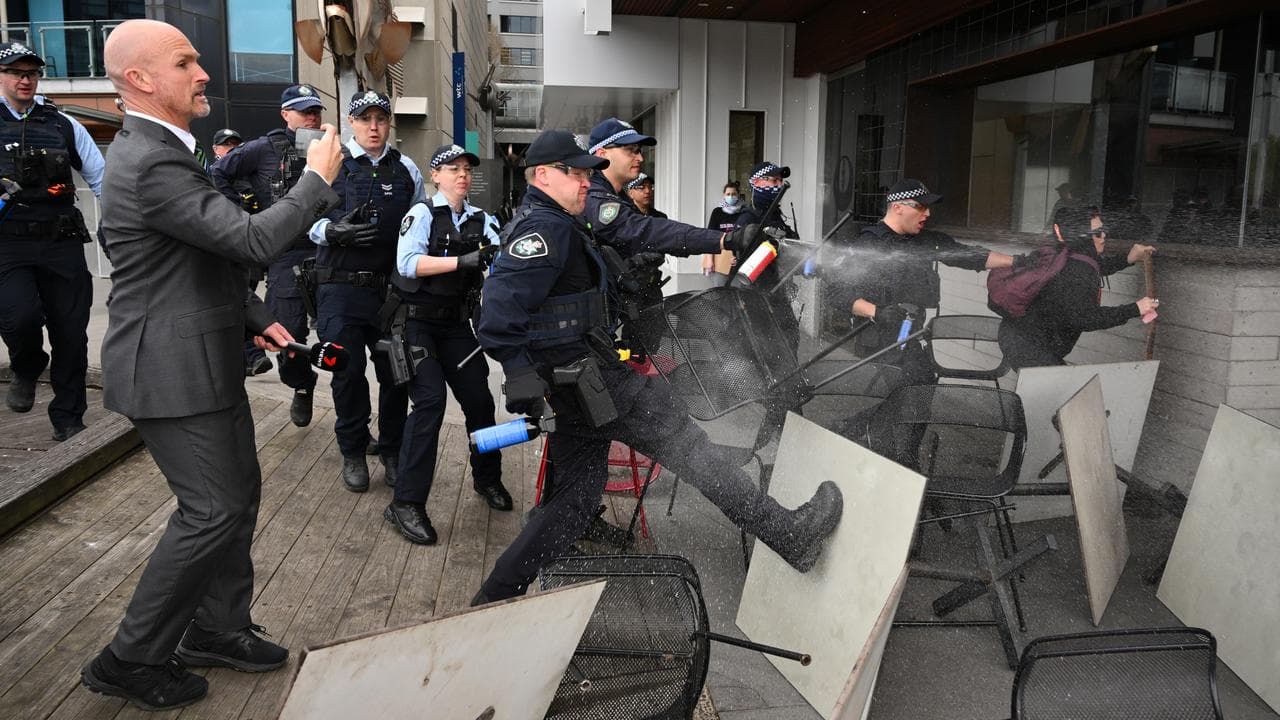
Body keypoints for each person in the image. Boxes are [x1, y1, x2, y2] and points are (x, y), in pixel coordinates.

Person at [81, 19, 342, 711]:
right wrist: (316, 179)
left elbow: (195, 256)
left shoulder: (166, 151)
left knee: (236, 499)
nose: (202, 74)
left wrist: (255, 316)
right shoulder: (150, 161)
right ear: (139, 79)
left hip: (201, 358)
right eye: (185, 62)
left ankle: (217, 629)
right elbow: (252, 240)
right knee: (211, 510)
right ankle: (130, 659)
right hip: (170, 371)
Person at [470, 129, 842, 604]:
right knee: (694, 452)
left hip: (579, 387)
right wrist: (520, 373)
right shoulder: (546, 230)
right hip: (595, 383)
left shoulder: (558, 222)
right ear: (542, 175)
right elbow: (497, 314)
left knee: (573, 502)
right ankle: (789, 533)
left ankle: (492, 600)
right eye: (576, 173)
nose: (585, 182)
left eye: (587, 173)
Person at [386, 142, 513, 545]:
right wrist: (462, 261)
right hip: (417, 324)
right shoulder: (421, 213)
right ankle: (405, 502)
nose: (462, 175)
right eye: (452, 168)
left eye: (467, 169)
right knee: (430, 403)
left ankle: (487, 478)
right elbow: (408, 264)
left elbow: (500, 262)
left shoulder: (482, 219)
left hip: (457, 326)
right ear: (435, 175)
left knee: (481, 402)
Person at [305, 90, 424, 492]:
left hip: (389, 293)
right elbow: (299, 217)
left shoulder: (406, 168)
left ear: (389, 123)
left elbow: (419, 224)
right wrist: (331, 231)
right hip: (339, 290)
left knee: (396, 373)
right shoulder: (330, 162)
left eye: (381, 119)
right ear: (351, 122)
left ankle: (391, 451)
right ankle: (353, 450)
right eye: (365, 119)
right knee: (347, 373)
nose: (374, 127)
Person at [0, 41, 104, 441]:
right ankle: (26, 367)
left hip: (61, 240)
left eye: (32, 73)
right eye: (16, 73)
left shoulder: (63, 124)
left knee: (71, 333)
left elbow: (100, 176)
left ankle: (68, 418)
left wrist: (121, 224)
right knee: (19, 318)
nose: (25, 80)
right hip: (8, 243)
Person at [212, 83, 327, 427]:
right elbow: (218, 173)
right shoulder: (263, 148)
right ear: (285, 114)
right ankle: (302, 384)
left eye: (315, 111)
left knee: (341, 334)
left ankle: (354, 423)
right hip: (286, 254)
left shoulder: (330, 149)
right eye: (304, 111)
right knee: (287, 337)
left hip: (330, 251)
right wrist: (241, 212)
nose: (311, 117)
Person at [839, 180, 1019, 385]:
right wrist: (876, 312)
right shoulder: (868, 244)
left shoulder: (925, 241)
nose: (927, 213)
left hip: (909, 334)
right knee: (906, 392)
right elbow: (837, 293)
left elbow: (970, 256)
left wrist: (1017, 261)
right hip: (879, 340)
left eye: (928, 207)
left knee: (920, 388)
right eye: (920, 206)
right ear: (897, 207)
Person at [998, 206, 1158, 369]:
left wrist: (1128, 258)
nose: (1104, 236)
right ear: (1083, 237)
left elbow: (1095, 267)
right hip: (1031, 349)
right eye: (1097, 233)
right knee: (1063, 385)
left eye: (1104, 230)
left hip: (1014, 336)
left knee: (1061, 384)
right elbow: (1086, 318)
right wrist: (1135, 309)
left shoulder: (1066, 254)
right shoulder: (1078, 269)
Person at [703, 180, 742, 286]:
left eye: (733, 194)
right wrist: (710, 260)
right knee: (719, 290)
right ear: (724, 195)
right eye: (728, 194)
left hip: (738, 262)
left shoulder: (743, 213)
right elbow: (710, 237)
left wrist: (739, 258)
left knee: (737, 292)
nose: (731, 196)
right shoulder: (717, 212)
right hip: (720, 259)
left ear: (738, 195)